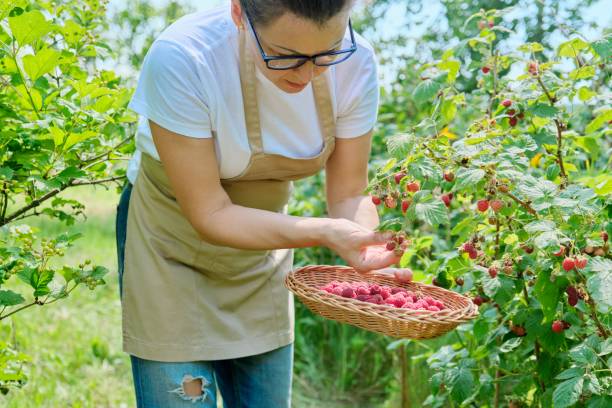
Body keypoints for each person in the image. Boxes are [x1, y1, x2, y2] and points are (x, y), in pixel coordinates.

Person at [115, 0, 412, 406]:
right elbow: (210, 212)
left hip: (264, 247)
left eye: (327, 54)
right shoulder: (183, 58)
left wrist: (365, 244)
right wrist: (324, 231)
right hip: (170, 243)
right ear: (239, 13)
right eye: (285, 57)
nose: (307, 74)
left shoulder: (357, 63)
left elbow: (348, 192)